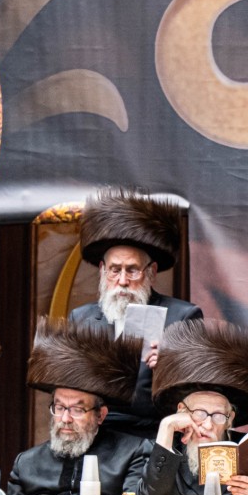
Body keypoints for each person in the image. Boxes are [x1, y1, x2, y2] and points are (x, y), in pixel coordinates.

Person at [70, 187, 202, 438]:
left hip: (153, 436)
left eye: (132, 270)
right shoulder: (81, 318)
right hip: (96, 436)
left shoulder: (184, 316)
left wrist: (170, 367)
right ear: (102, 270)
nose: (122, 281)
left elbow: (197, 392)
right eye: (115, 270)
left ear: (151, 271)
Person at [7, 317, 152, 495]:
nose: (65, 419)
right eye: (60, 407)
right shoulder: (26, 464)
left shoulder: (131, 453)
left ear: (101, 415)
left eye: (77, 410)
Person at [138, 319, 248, 495]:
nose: (207, 424)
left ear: (230, 419)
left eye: (218, 416)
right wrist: (166, 427)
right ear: (182, 411)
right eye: (199, 413)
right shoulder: (162, 446)